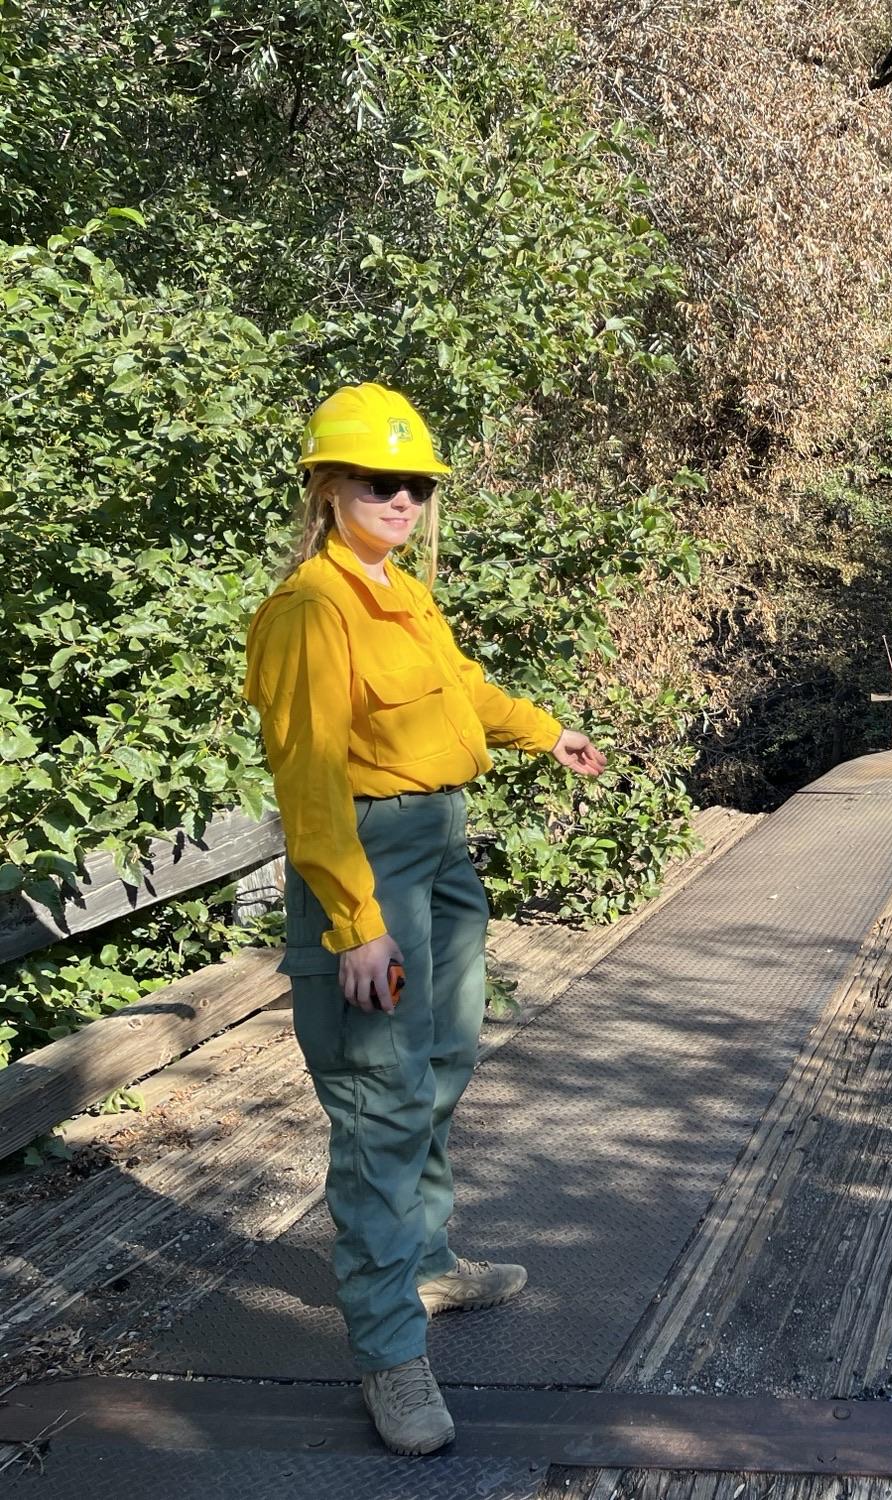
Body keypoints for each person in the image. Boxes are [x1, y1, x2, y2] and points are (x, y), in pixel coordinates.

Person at [244, 382, 607, 1455]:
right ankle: (390, 1355)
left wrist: (547, 733)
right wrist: (354, 919)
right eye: (378, 479)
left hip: (440, 848)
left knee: (444, 1060)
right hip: (368, 860)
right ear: (328, 486)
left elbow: (462, 694)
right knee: (379, 1103)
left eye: (416, 482)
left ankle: (429, 1264)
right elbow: (306, 776)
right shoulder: (313, 609)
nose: (402, 496)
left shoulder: (400, 592)